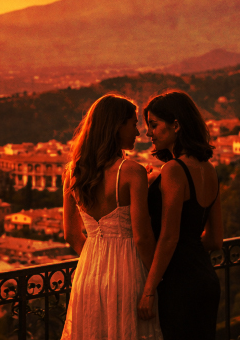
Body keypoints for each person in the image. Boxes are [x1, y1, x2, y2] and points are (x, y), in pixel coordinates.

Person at [61, 94, 164, 340]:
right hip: (128, 274)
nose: (138, 132)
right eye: (133, 124)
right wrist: (155, 280)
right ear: (116, 127)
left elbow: (71, 235)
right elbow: (142, 236)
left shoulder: (73, 174)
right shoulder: (132, 172)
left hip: (88, 274)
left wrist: (98, 260)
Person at [137, 91, 223, 340]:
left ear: (175, 125)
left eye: (154, 125)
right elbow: (216, 240)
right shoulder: (209, 169)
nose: (148, 133)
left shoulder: (174, 169)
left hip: (180, 283)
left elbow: (169, 237)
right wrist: (191, 248)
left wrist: (149, 290)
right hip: (206, 279)